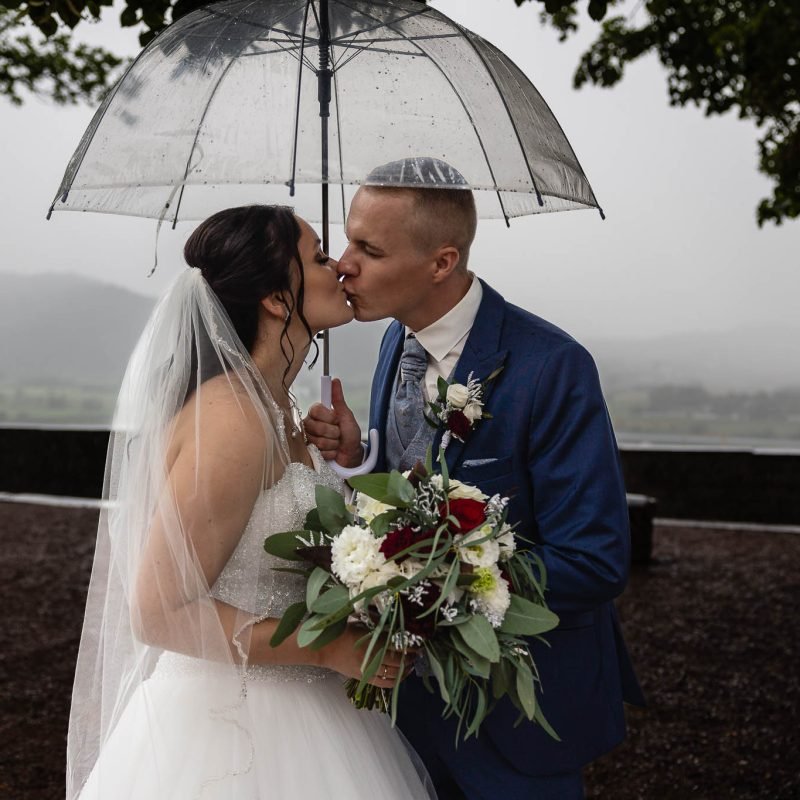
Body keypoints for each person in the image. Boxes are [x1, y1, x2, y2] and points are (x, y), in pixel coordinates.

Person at [66, 205, 435, 800]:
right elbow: (158, 611)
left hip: (312, 713)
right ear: (272, 298)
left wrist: (347, 467)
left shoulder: (277, 408)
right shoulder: (234, 419)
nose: (340, 265)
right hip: (234, 734)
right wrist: (330, 647)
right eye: (318, 256)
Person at [305, 158, 645, 800]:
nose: (345, 262)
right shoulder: (393, 343)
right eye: (348, 241)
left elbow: (596, 562)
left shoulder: (553, 367)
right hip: (404, 716)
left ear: (441, 262)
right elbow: (413, 488)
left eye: (369, 249)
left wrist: (432, 580)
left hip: (521, 713)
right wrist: (360, 459)